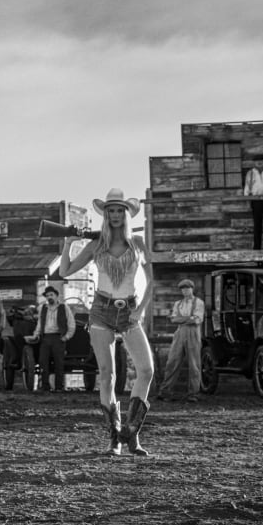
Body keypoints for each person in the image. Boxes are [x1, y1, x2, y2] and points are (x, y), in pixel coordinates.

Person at [58, 188, 157, 456]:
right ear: (105, 214)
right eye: (110, 210)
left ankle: (132, 432)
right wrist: (69, 243)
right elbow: (64, 271)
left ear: (126, 214)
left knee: (146, 370)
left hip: (130, 311)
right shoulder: (96, 244)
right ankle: (115, 439)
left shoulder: (137, 243)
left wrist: (140, 311)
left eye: (119, 210)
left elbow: (152, 281)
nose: (115, 214)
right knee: (107, 376)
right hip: (101, 310)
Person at [159, 279, 205, 402]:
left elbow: (196, 320)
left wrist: (181, 318)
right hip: (180, 332)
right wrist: (187, 318)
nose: (185, 291)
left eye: (187, 288)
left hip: (193, 332)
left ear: (192, 289)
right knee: (172, 361)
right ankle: (165, 392)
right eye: (183, 289)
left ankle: (193, 394)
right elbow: (173, 320)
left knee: (194, 364)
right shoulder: (178, 303)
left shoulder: (198, 302)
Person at [28, 286, 75, 393]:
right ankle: (45, 387)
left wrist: (66, 337)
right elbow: (40, 324)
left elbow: (71, 324)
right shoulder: (43, 308)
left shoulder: (64, 307)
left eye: (51, 295)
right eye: (47, 295)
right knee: (43, 362)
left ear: (56, 296)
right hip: (46, 337)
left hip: (59, 338)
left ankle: (59, 387)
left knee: (59, 363)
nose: (49, 297)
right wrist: (36, 334)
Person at [242, 154, 263, 250]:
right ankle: (257, 249)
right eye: (257, 160)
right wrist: (246, 199)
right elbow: (247, 187)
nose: (259, 162)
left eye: (261, 160)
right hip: (256, 201)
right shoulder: (250, 173)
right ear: (254, 162)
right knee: (257, 226)